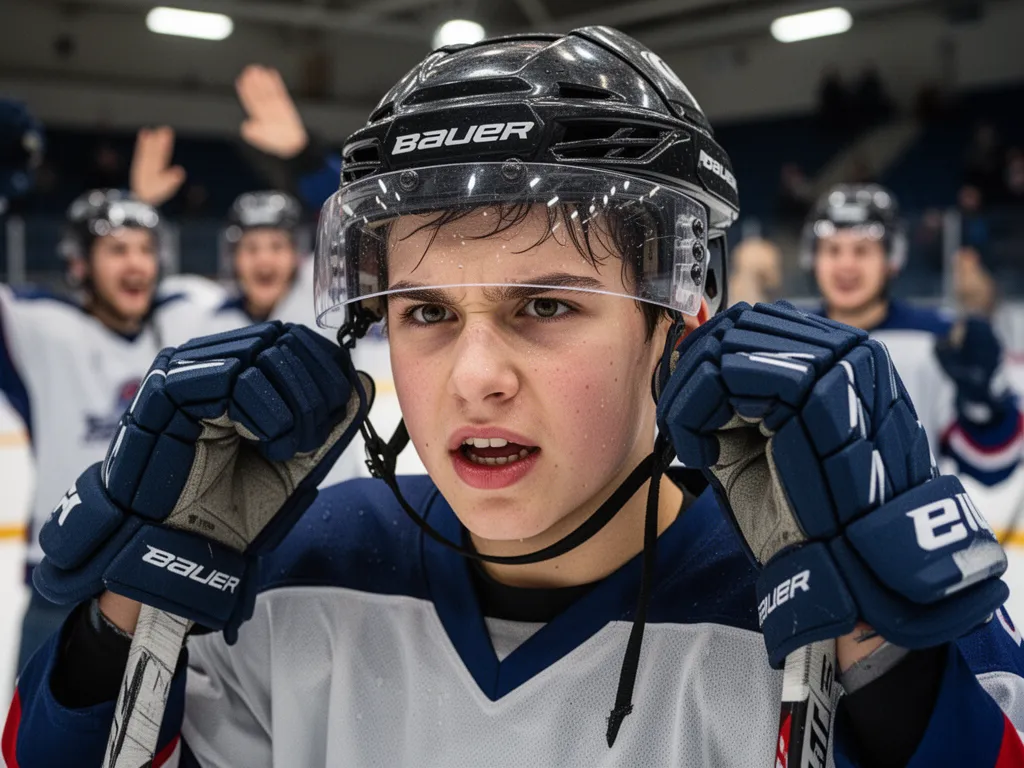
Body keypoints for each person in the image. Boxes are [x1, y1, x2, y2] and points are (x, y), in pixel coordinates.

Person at [6, 27, 1024, 768]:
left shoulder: (818, 594)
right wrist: (118, 621)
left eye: (543, 303)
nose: (475, 376)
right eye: (423, 312)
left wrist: (885, 661)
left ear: (675, 321)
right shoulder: (283, 573)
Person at [0, 188, 203, 674]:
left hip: (163, 585)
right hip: (61, 585)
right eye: (117, 250)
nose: (136, 264)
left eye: (145, 249)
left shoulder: (185, 317)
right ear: (78, 264)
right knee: (35, 746)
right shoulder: (40, 327)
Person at [781, 182, 1023, 488]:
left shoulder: (940, 337)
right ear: (812, 259)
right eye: (832, 250)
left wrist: (982, 404)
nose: (846, 265)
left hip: (910, 529)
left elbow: (992, 467)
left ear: (892, 259)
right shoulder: (789, 337)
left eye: (862, 250)